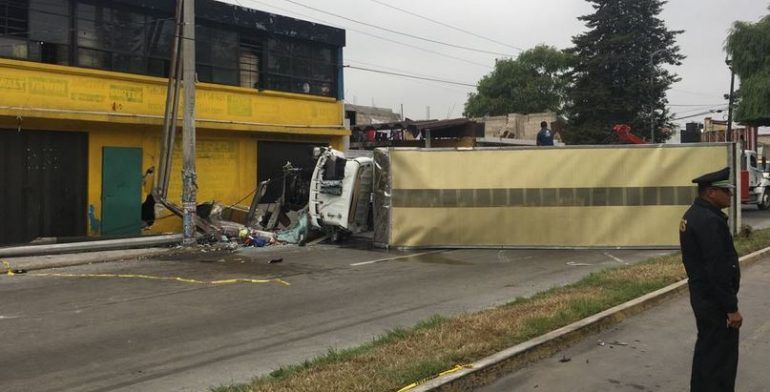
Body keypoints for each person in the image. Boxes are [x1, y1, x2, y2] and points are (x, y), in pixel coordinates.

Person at [679, 167, 742, 392]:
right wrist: (731, 308)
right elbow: (717, 269)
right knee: (720, 359)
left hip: (703, 296)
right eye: (727, 191)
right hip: (714, 300)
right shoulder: (709, 221)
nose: (731, 195)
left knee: (708, 352)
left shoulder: (694, 214)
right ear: (711, 192)